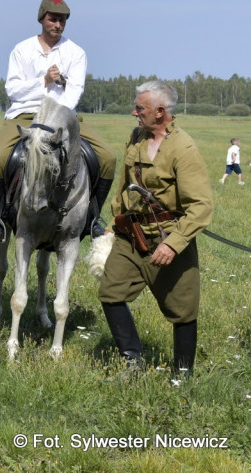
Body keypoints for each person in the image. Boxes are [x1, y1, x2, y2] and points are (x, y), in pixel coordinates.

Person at [0, 0, 116, 242]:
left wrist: (58, 116)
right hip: (25, 115)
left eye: (62, 20)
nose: (58, 24)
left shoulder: (76, 53)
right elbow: (14, 90)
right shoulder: (21, 50)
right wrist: (44, 81)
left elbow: (74, 92)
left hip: (63, 116)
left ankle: (92, 217)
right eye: (52, 18)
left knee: (108, 157)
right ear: (42, 18)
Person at [98, 80, 213, 375]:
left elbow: (200, 206)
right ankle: (133, 360)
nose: (134, 113)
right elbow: (124, 186)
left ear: (160, 112)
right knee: (111, 293)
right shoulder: (136, 138)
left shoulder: (183, 149)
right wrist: (113, 223)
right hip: (131, 234)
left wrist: (173, 244)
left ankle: (182, 373)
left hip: (168, 238)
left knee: (183, 310)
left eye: (140, 108)